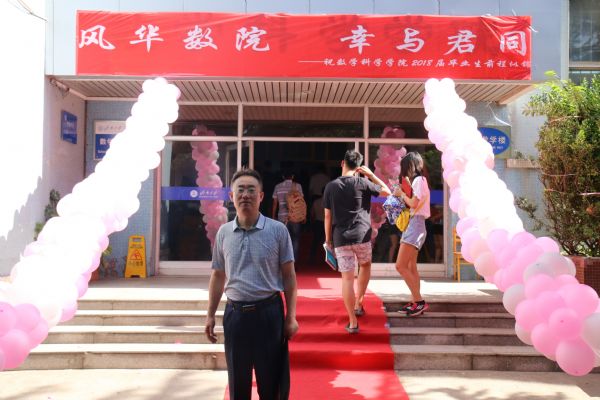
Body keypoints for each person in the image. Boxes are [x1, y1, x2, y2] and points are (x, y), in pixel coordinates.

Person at [205, 168, 299, 400]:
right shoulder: (224, 233)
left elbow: (289, 276)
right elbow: (218, 275)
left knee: (270, 385)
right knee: (238, 384)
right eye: (240, 190)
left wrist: (291, 317)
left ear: (261, 196)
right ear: (231, 196)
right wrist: (210, 315)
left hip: (269, 315)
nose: (245, 194)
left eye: (251, 190)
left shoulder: (278, 231)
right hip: (235, 316)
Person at [323, 150, 391, 333]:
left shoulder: (331, 186)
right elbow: (387, 192)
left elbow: (327, 216)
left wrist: (328, 239)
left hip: (341, 238)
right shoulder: (363, 183)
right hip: (362, 236)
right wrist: (371, 176)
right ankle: (359, 303)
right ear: (359, 167)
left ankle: (353, 322)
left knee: (347, 279)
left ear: (342, 163)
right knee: (365, 265)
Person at [394, 152, 431, 316]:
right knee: (411, 266)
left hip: (415, 224)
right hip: (417, 224)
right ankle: (415, 302)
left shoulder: (418, 180)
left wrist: (401, 194)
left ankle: (419, 302)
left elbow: (413, 203)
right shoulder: (421, 180)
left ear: (410, 165)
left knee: (400, 266)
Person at [272, 171, 305, 261]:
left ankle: (284, 261)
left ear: (283, 176)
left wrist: (273, 216)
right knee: (295, 239)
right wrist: (303, 215)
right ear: (293, 176)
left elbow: (275, 203)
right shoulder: (298, 186)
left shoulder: (278, 186)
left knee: (282, 240)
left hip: (282, 217)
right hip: (295, 216)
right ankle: (293, 261)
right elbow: (301, 202)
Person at [309, 189, 325, 264]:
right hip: (327, 223)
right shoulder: (330, 201)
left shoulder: (316, 201)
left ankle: (312, 259)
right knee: (327, 242)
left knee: (315, 241)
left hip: (317, 222)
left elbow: (312, 213)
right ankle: (329, 260)